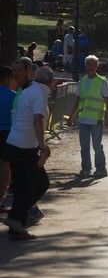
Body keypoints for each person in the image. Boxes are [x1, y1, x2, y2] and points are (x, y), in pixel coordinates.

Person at [4, 66, 54, 239]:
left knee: (21, 187)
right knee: (41, 183)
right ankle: (14, 217)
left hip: (14, 142)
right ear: (51, 82)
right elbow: (37, 120)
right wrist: (42, 147)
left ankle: (16, 229)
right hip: (25, 146)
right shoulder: (40, 94)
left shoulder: (28, 90)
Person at [66, 55, 108, 178]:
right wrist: (71, 116)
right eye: (88, 64)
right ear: (85, 66)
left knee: (97, 146)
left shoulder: (101, 82)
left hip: (96, 119)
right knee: (84, 146)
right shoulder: (83, 82)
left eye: (93, 64)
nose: (91, 67)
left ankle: (101, 169)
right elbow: (78, 100)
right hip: (84, 119)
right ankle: (86, 169)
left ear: (97, 67)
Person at [0, 66, 16, 211]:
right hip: (7, 134)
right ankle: (0, 200)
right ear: (8, 79)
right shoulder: (13, 96)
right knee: (5, 168)